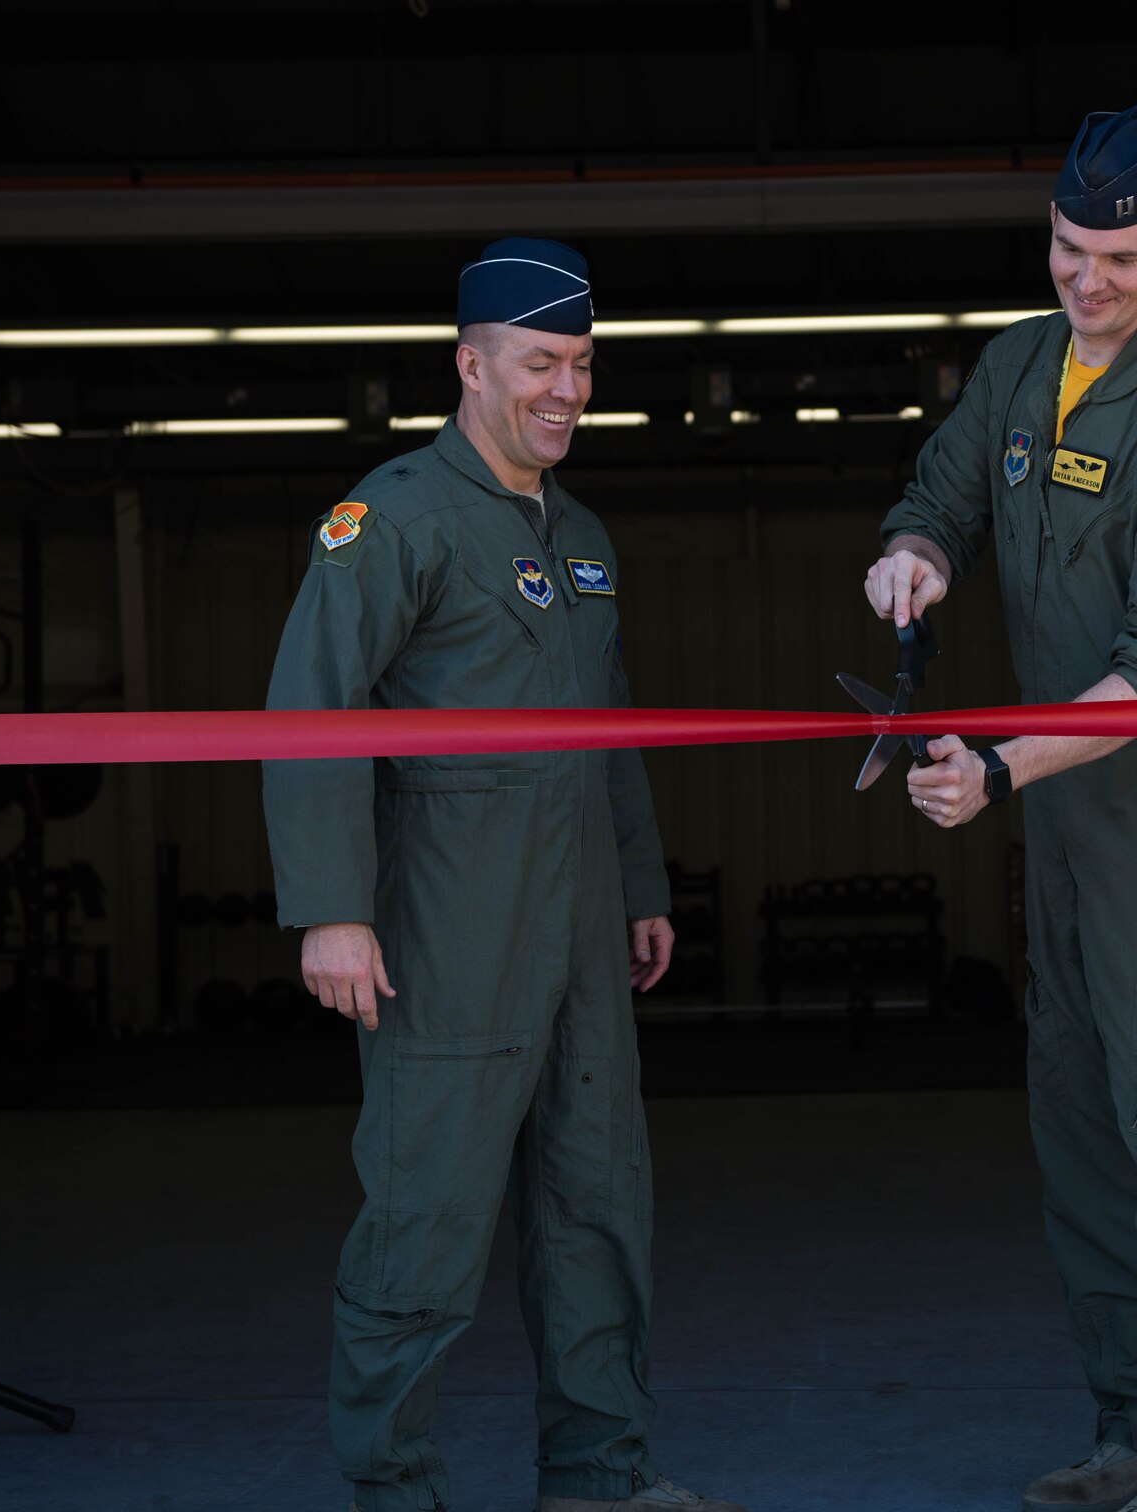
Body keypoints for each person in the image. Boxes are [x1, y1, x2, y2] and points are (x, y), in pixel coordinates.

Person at [264, 238, 745, 1512]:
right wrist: (330, 911)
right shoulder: (395, 517)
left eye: (582, 366)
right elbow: (313, 713)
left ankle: (597, 1474)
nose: (566, 391)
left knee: (597, 1209)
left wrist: (640, 884)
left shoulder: (580, 531)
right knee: (424, 1217)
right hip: (447, 930)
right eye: (540, 363)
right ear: (468, 365)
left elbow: (610, 719)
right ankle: (392, 1486)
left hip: (582, 925)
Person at [863, 103, 1137, 1512]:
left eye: (1116, 258)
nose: (1085, 280)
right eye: (1064, 248)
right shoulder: (1018, 364)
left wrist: (997, 769)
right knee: (1086, 1147)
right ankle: (1129, 1435)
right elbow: (947, 490)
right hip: (1059, 837)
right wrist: (914, 553)